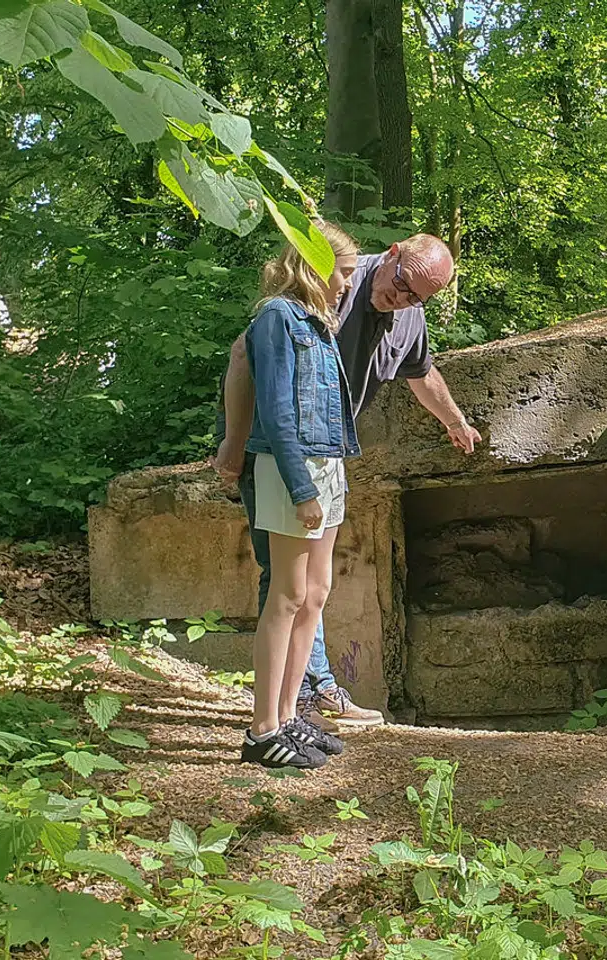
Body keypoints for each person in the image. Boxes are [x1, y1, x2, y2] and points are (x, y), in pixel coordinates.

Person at [213, 233, 482, 732]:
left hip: (330, 456)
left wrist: (454, 421)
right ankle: (289, 709)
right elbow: (246, 357)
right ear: (394, 253)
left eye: (417, 298)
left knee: (314, 587)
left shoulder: (408, 314)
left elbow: (422, 373)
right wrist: (233, 441)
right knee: (285, 581)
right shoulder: (329, 282)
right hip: (277, 450)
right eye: (402, 285)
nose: (402, 299)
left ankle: (295, 704)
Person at [240, 221, 359, 769]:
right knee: (286, 595)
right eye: (343, 273)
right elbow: (275, 411)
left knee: (316, 593)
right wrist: (300, 486)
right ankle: (262, 731)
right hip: (293, 466)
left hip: (329, 461)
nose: (347, 284)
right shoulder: (276, 318)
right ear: (315, 265)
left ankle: (289, 716)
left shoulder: (320, 320)